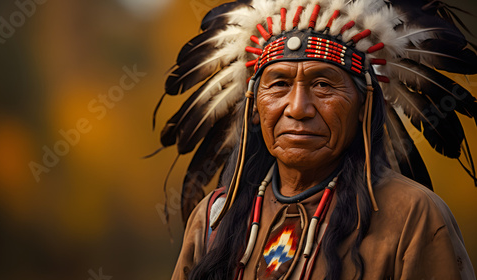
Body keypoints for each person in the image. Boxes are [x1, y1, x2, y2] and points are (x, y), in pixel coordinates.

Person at [153, 0, 477, 279]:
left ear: (364, 105)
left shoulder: (413, 216)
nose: (298, 108)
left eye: (323, 84)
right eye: (278, 83)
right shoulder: (213, 219)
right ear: (254, 108)